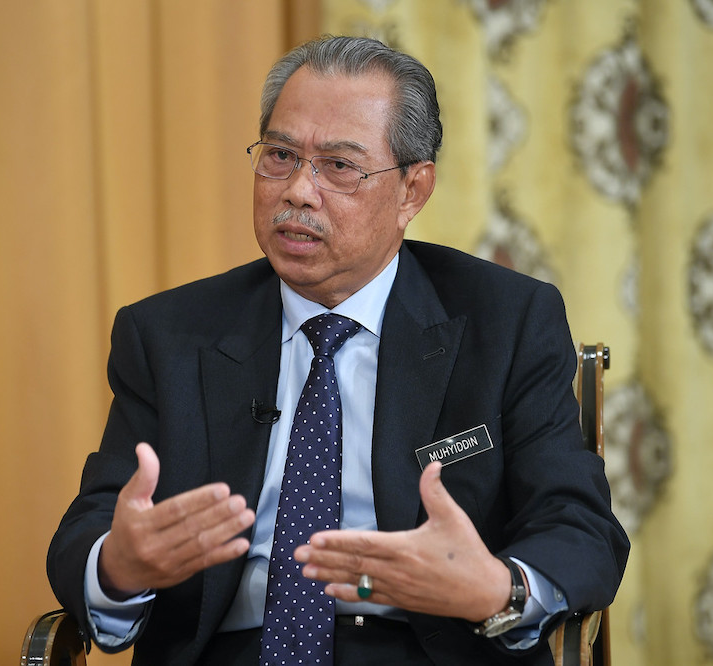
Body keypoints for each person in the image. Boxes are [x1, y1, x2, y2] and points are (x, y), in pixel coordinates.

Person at [47, 35, 629, 666]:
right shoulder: (168, 335)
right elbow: (93, 525)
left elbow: (580, 526)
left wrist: (495, 588)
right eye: (280, 155)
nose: (297, 190)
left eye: (339, 166)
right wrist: (119, 567)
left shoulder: (505, 321)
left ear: (413, 191)